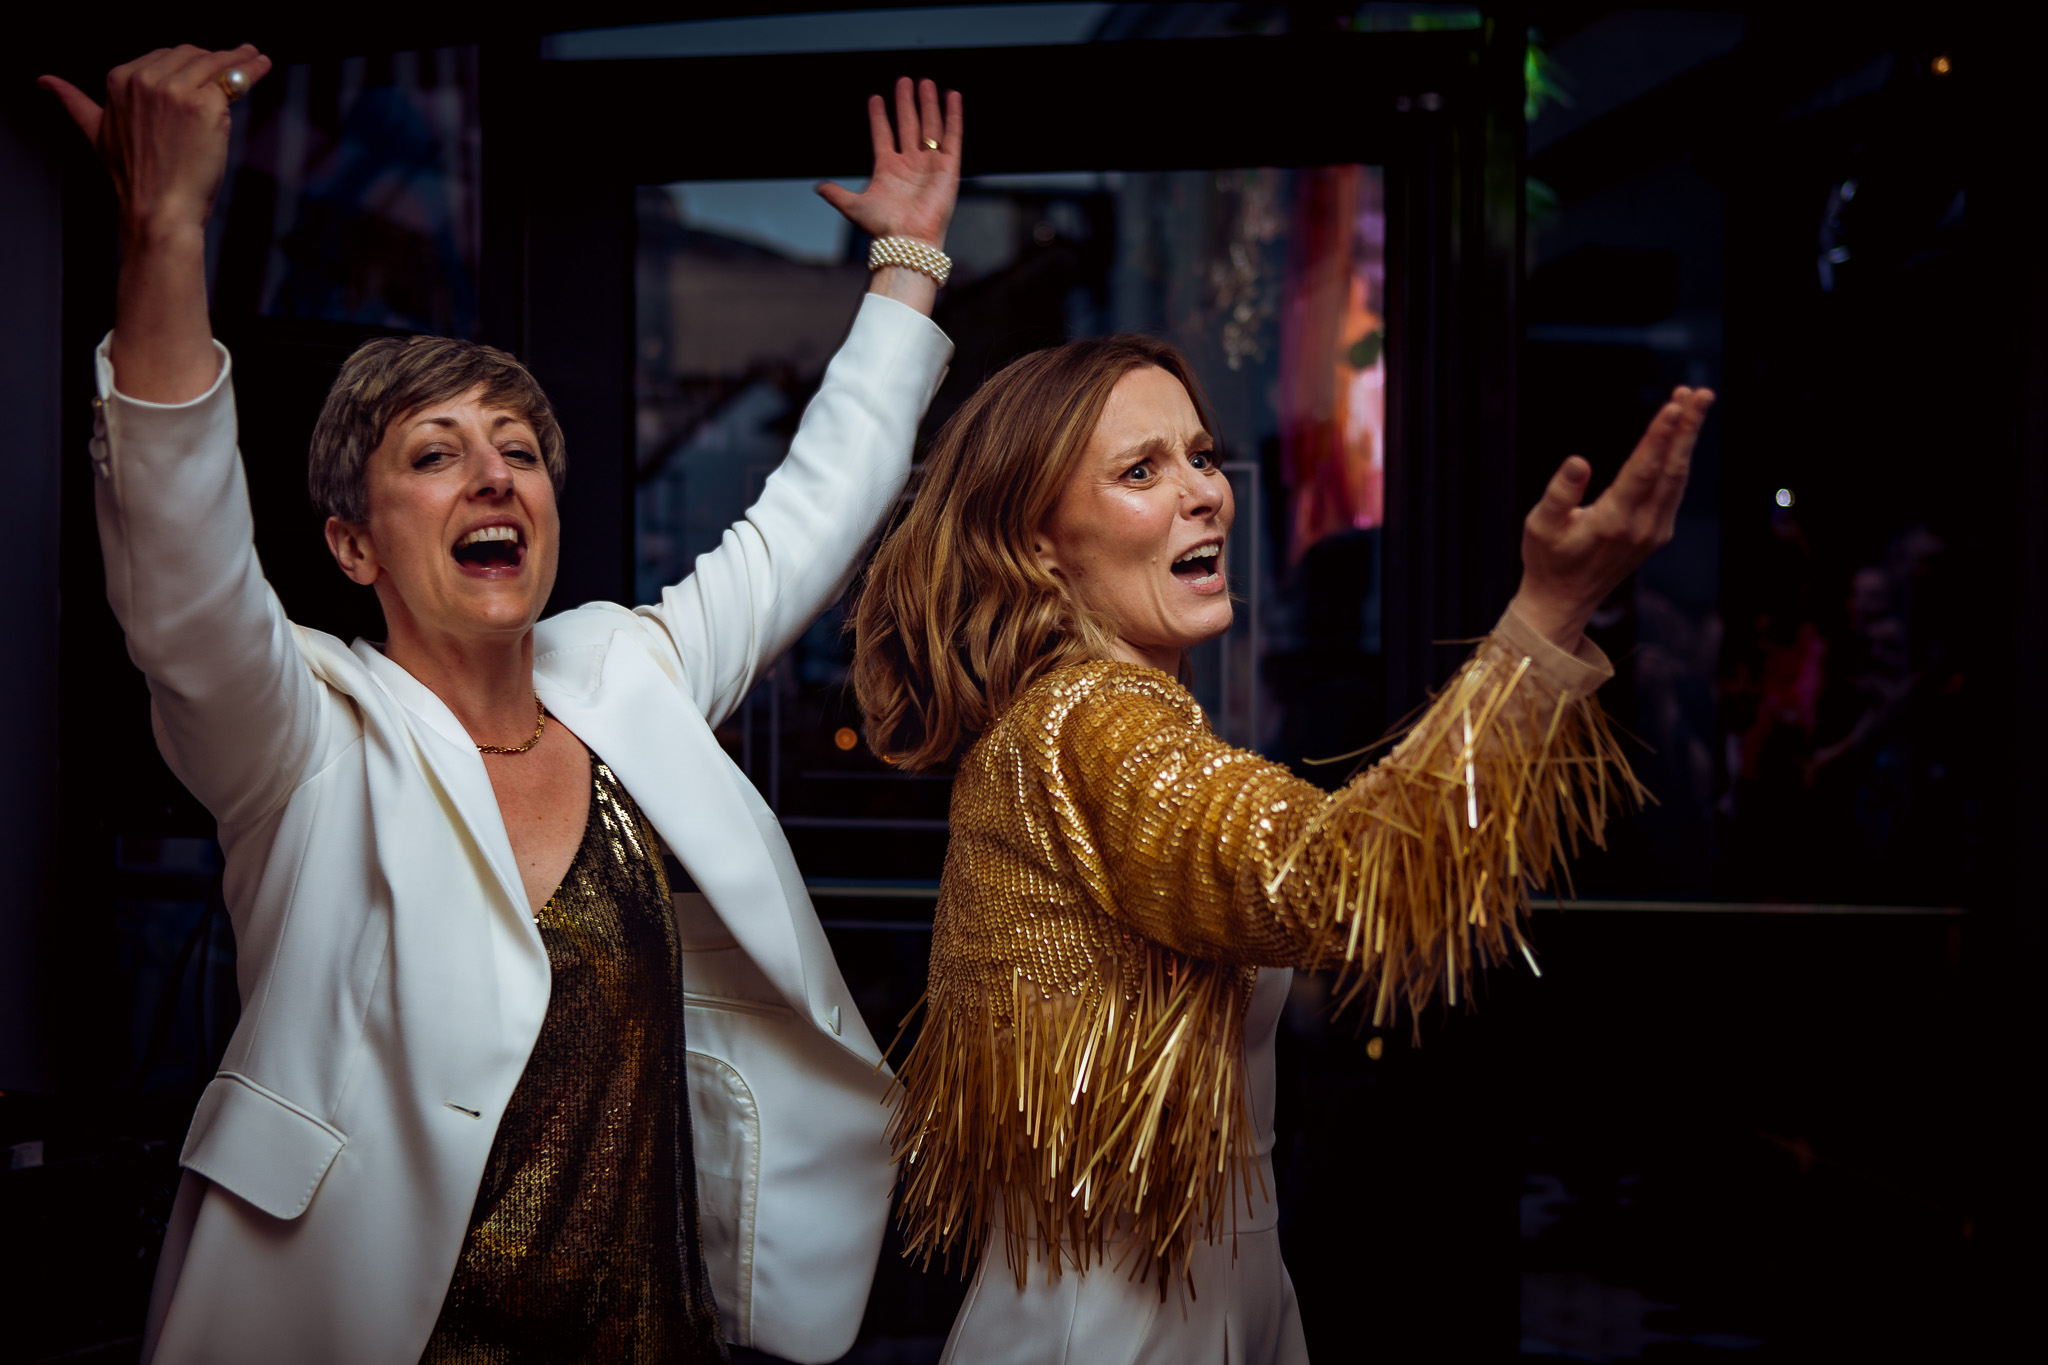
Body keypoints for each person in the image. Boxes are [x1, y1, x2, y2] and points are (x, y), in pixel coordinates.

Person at [40, 42, 963, 1365]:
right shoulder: (300, 732)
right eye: (436, 453)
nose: (493, 476)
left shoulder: (620, 673)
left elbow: (802, 525)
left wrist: (906, 270)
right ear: (353, 544)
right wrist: (166, 226)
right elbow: (181, 570)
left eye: (518, 451)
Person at [851, 335, 1713, 1362]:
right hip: (1112, 1327)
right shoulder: (1088, 724)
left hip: (1218, 1293)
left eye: (1201, 457)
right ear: (1039, 544)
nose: (1202, 492)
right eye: (1140, 470)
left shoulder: (1119, 720)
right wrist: (1547, 615)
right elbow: (1341, 879)